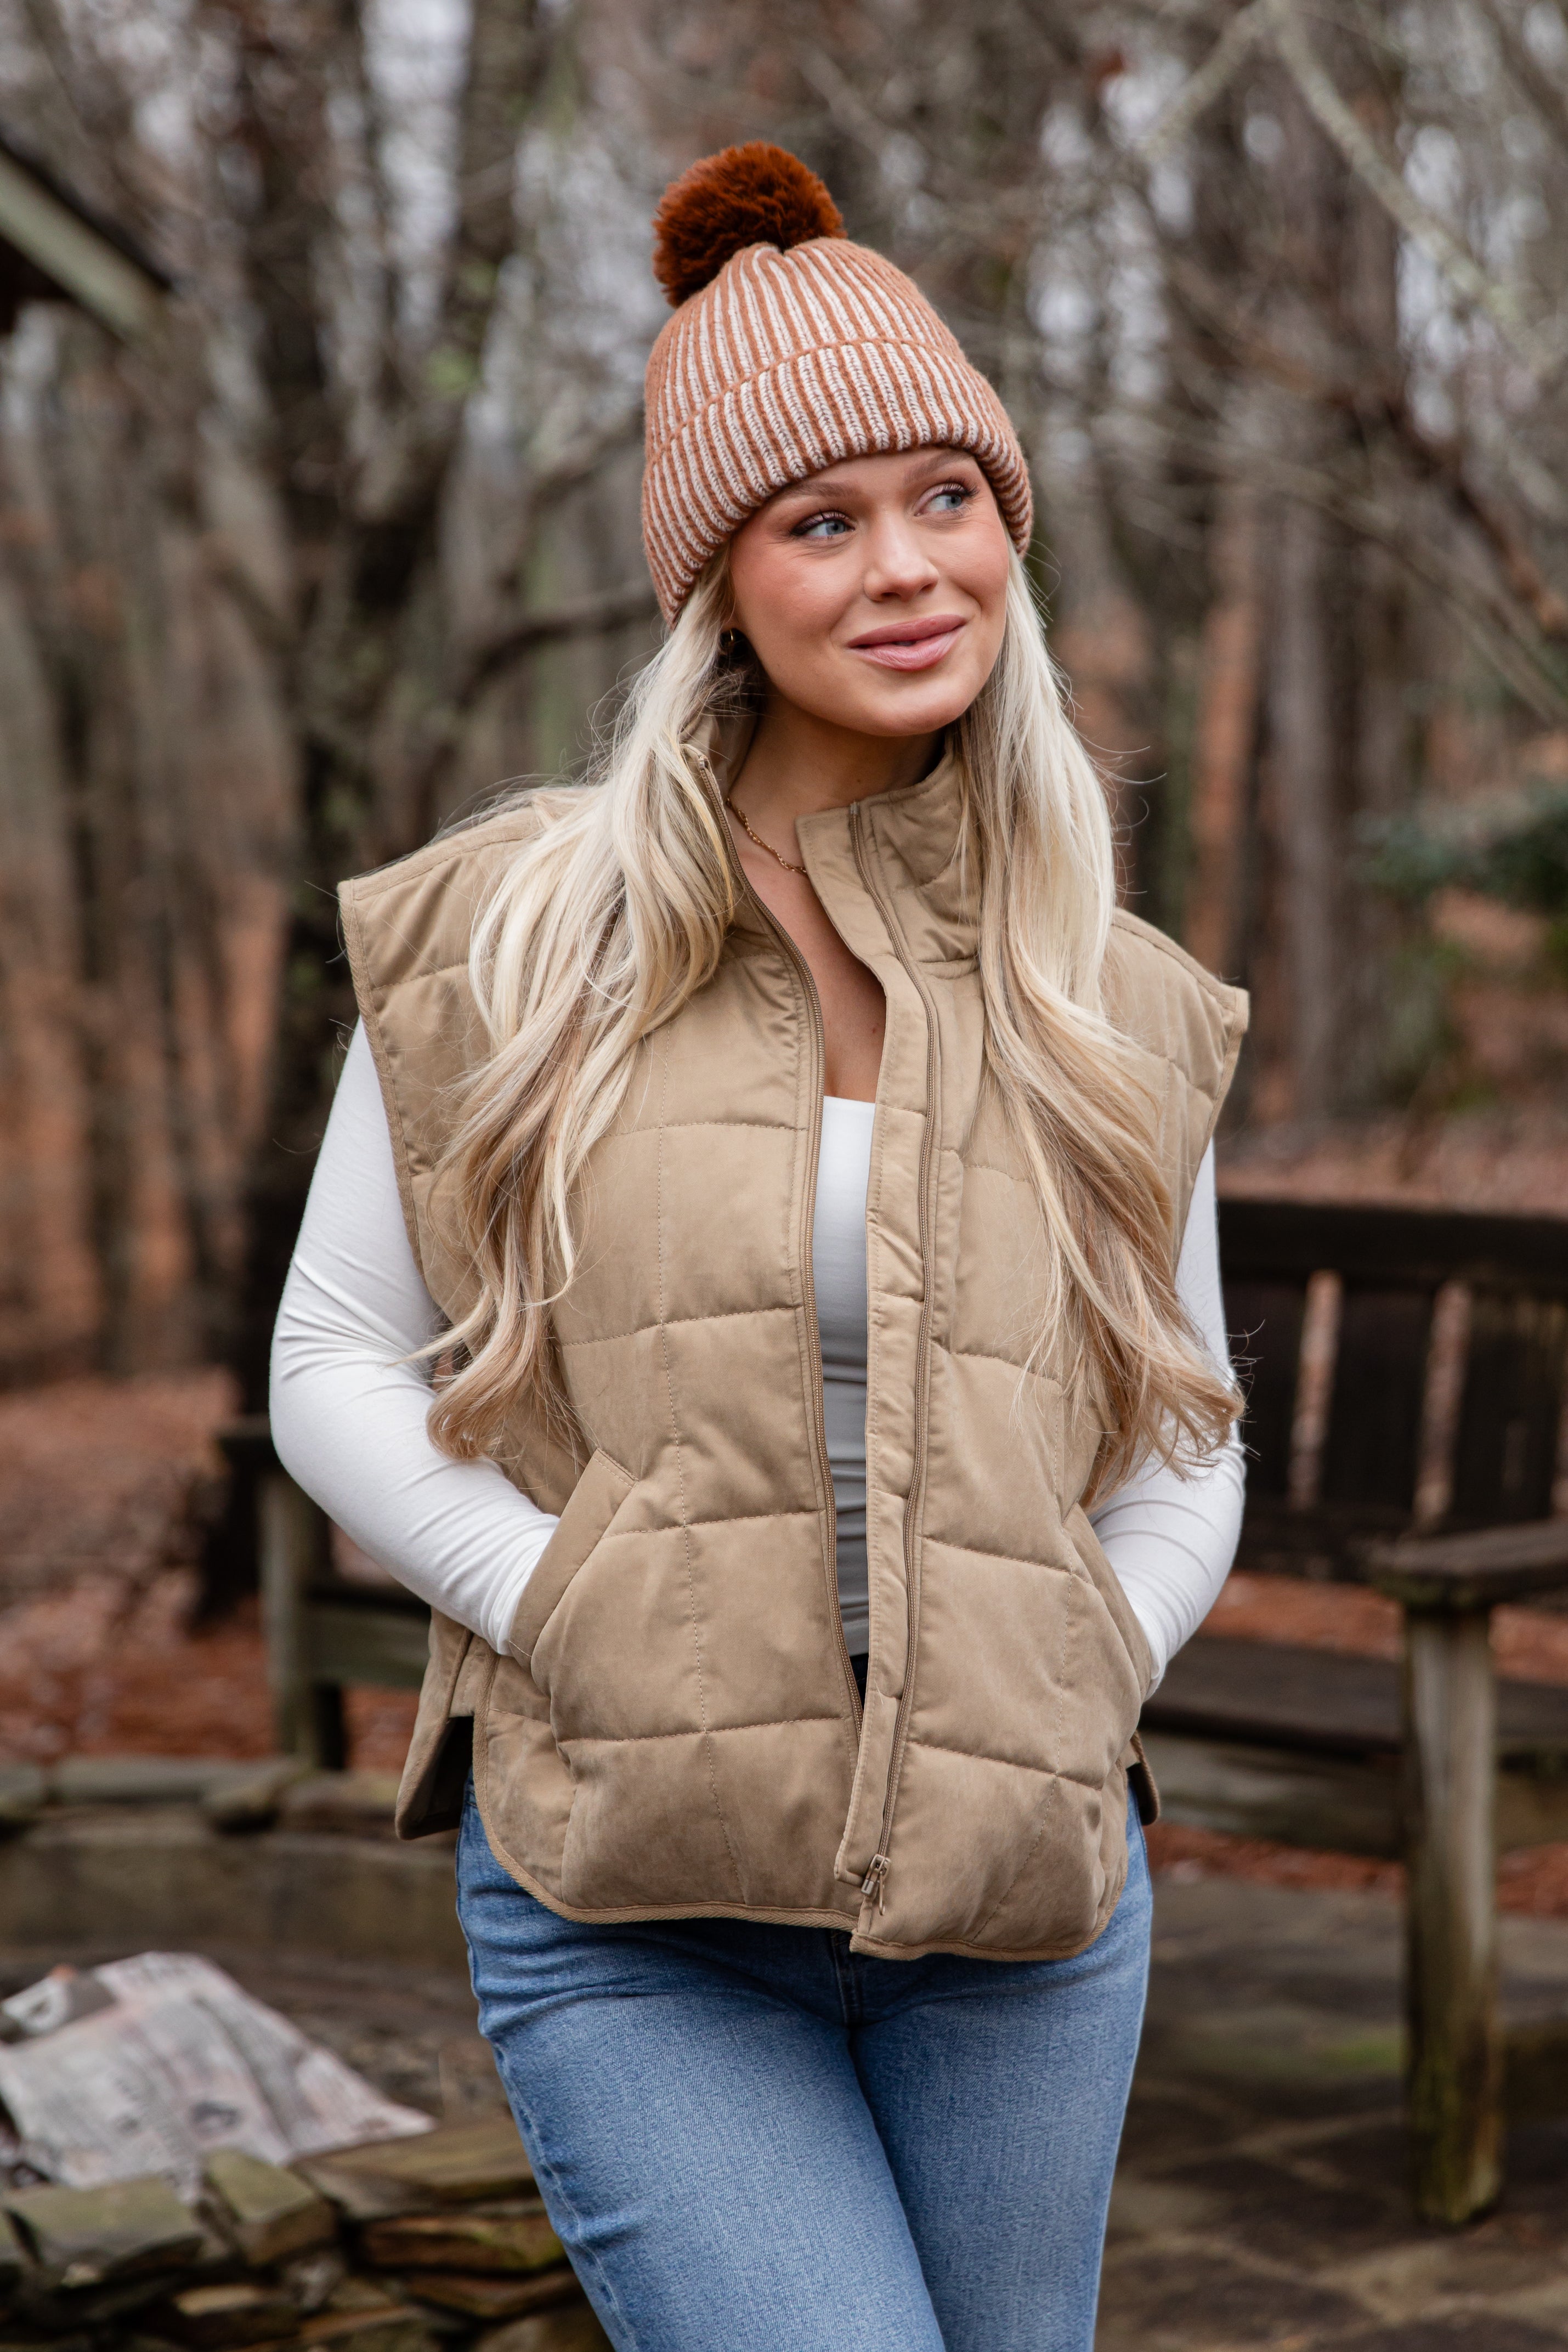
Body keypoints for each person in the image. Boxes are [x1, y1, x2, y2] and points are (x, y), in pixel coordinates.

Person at [271, 142, 1247, 2352]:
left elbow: (1185, 1436)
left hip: (1022, 1913)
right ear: (716, 580)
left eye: (949, 498)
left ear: (1012, 524)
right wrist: (568, 1603)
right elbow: (334, 1352)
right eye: (821, 520)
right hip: (635, 1900)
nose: (906, 567)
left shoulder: (1118, 989)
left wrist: (1091, 1660)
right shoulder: (511, 932)